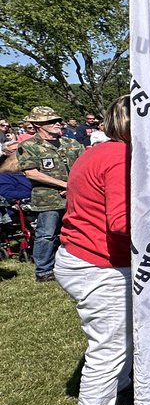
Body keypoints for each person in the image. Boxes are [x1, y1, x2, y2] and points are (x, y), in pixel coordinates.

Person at [54, 96, 135, 405]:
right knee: (110, 347)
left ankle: (120, 383)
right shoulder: (120, 157)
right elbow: (121, 222)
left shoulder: (97, 151)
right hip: (97, 266)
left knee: (125, 335)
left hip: (87, 258)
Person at [18, 106, 85, 281]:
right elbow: (31, 172)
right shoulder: (29, 146)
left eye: (58, 120)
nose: (58, 123)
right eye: (52, 121)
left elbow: (85, 166)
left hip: (75, 197)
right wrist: (65, 184)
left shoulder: (71, 143)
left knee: (76, 231)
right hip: (47, 198)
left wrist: (74, 186)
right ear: (39, 125)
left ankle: (75, 265)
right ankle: (44, 271)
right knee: (47, 234)